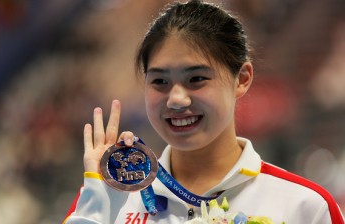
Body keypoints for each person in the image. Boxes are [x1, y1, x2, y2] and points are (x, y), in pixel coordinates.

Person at [63, 1, 345, 223]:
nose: (176, 99)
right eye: (160, 81)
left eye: (196, 79)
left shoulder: (305, 206)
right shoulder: (109, 198)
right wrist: (98, 203)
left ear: (242, 79)